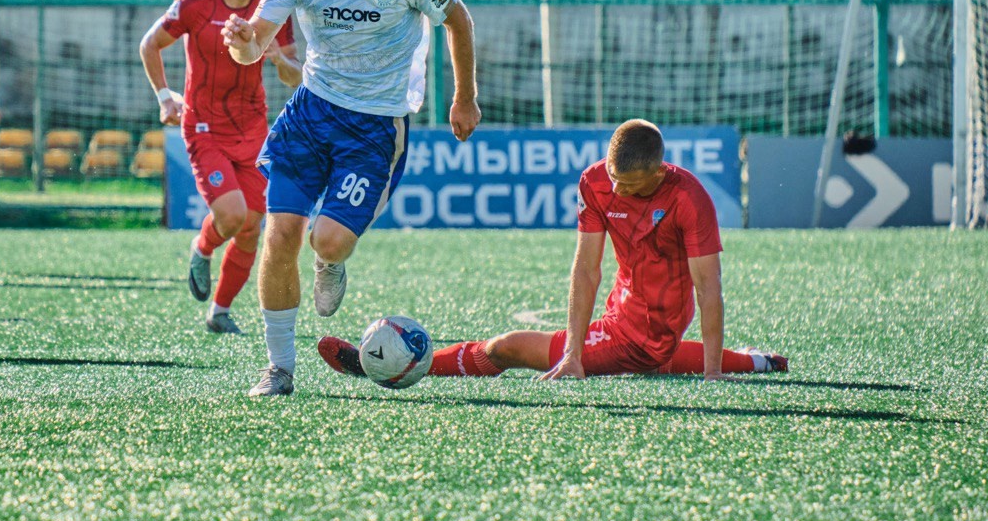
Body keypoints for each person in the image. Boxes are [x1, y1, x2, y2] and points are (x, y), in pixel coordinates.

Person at [223, 0, 481, 397]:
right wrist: (242, 41)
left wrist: (464, 98)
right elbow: (252, 47)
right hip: (311, 113)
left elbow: (459, 20)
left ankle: (329, 261)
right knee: (280, 234)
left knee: (330, 240)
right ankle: (279, 367)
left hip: (376, 125)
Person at [319, 119, 789, 383]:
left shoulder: (689, 198)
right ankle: (759, 360)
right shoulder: (595, 183)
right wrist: (575, 354)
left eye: (629, 186)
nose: (617, 191)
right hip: (627, 317)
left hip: (641, 333)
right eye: (614, 179)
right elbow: (586, 270)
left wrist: (712, 373)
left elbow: (709, 287)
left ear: (659, 173)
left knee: (507, 347)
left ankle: (403, 367)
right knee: (659, 359)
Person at [140, 0, 299, 334]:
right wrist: (165, 97)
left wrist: (281, 61)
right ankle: (203, 246)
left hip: (253, 130)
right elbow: (149, 44)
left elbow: (295, 77)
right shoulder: (195, 5)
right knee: (231, 216)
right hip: (204, 126)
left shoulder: (273, 8)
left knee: (250, 229)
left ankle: (220, 311)